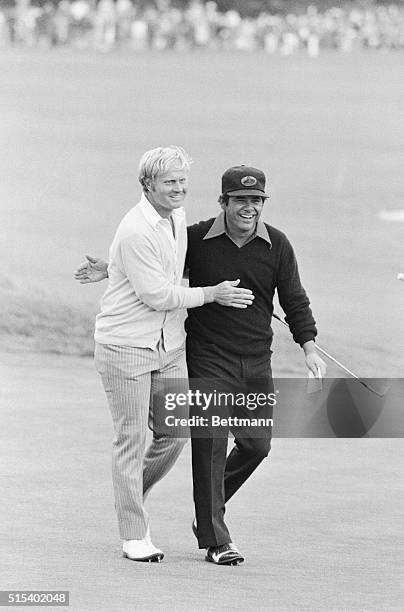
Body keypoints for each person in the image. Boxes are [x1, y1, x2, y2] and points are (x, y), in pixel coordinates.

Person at [75, 163, 326, 565]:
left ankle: (207, 508)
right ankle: (215, 538)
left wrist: (309, 347)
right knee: (210, 444)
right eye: (241, 200)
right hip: (208, 356)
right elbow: (155, 266)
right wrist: (112, 268)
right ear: (223, 201)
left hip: (257, 359)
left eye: (256, 200)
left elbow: (295, 299)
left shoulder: (277, 244)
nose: (249, 208)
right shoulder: (197, 239)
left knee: (256, 446)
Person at [86, 146, 255, 563]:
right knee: (131, 438)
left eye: (182, 181)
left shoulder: (175, 218)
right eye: (169, 182)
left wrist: (112, 268)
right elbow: (158, 294)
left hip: (168, 347)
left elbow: (165, 269)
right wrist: (213, 294)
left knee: (175, 432)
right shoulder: (136, 230)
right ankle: (134, 534)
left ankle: (128, 495)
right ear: (148, 185)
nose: (179, 189)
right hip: (126, 346)